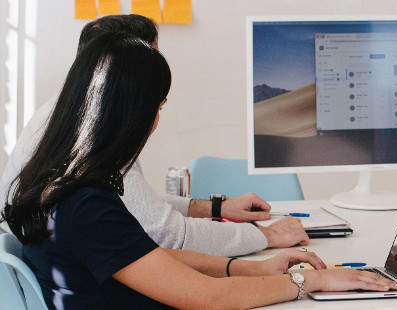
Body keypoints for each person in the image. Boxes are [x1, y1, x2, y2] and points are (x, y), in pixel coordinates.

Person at [2, 32, 397, 309]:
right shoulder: (85, 205)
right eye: (157, 108)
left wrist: (251, 269)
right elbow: (209, 299)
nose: (156, 122)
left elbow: (152, 258)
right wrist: (311, 281)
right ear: (130, 115)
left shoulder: (62, 185)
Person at [0, 14, 307, 257]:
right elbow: (167, 235)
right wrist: (266, 236)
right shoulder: (96, 132)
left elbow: (131, 206)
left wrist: (218, 208)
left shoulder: (65, 112)